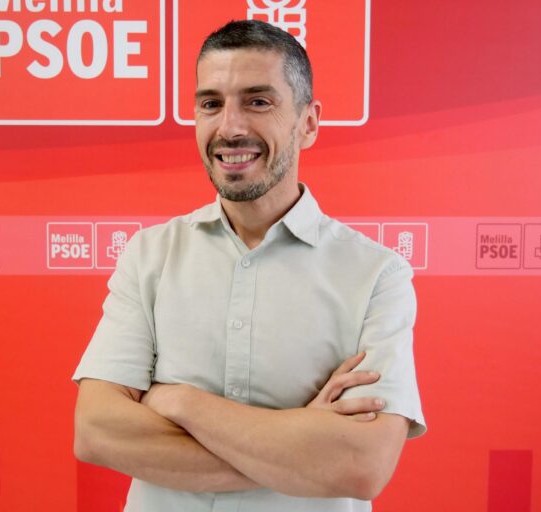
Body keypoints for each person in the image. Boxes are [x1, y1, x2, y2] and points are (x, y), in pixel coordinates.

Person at [72, 19, 426, 512]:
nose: (230, 127)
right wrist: (299, 448)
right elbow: (96, 431)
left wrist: (178, 402)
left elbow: (360, 465)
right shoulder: (150, 255)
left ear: (309, 122)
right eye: (211, 103)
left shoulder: (375, 276)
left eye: (258, 102)